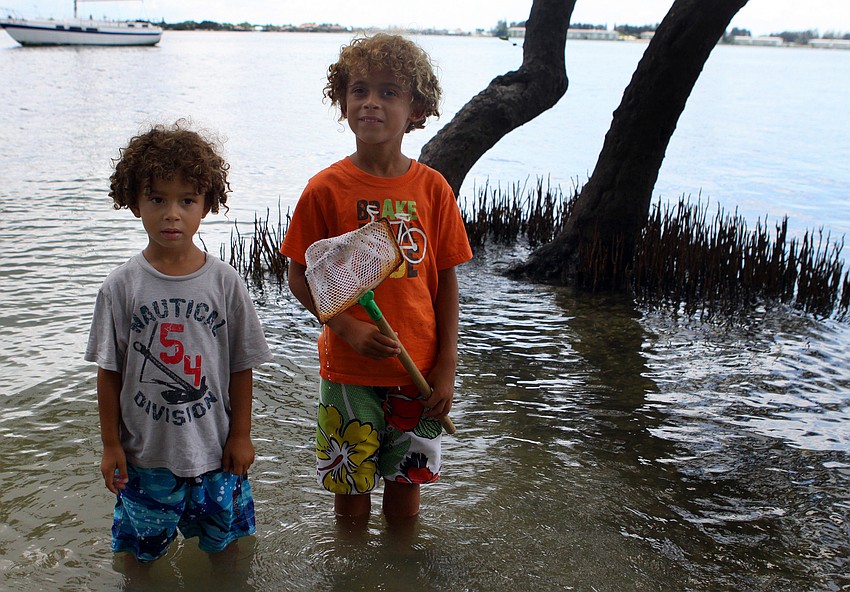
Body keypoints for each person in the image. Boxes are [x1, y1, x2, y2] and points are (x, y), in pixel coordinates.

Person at [280, 33, 473, 524]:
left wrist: (447, 365)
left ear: (416, 108)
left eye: (389, 92)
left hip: (421, 374)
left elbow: (446, 283)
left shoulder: (433, 188)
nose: (371, 102)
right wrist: (346, 326)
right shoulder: (325, 188)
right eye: (359, 89)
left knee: (407, 497)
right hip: (348, 372)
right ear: (342, 101)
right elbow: (298, 273)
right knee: (350, 498)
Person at [85, 121, 272, 565]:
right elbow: (109, 373)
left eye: (187, 200)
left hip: (215, 454)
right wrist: (111, 445)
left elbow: (240, 366)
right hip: (145, 457)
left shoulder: (224, 283)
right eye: (157, 199)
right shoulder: (121, 287)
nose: (172, 213)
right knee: (138, 554)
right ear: (134, 203)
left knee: (224, 549)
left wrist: (241, 435)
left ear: (206, 205)